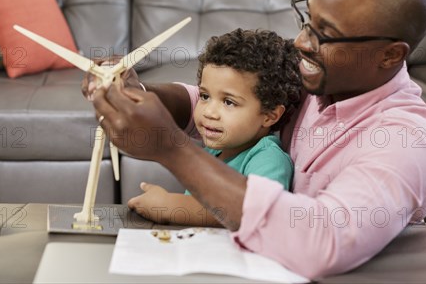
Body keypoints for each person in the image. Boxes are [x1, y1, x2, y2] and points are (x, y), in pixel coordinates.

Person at [87, 0, 426, 279]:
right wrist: (138, 93)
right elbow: (220, 100)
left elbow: (322, 241)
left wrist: (172, 148)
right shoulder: (320, 78)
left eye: (327, 35)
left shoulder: (407, 139)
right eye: (307, 20)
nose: (302, 43)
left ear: (389, 55)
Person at [127, 29, 302, 226]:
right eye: (204, 96)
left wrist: (170, 206)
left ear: (270, 115)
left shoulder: (268, 159)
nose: (209, 112)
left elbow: (253, 212)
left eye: (228, 102)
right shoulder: (215, 149)